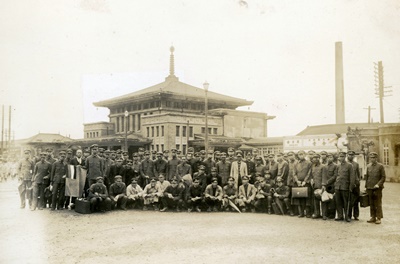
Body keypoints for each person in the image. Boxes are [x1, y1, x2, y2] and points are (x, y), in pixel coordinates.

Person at [328, 151, 355, 222]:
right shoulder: (338, 166)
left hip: (345, 187)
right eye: (340, 156)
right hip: (338, 187)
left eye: (342, 156)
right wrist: (331, 183)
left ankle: (347, 216)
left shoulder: (349, 165)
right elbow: (336, 176)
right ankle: (340, 216)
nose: (340, 158)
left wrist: (351, 187)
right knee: (338, 202)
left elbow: (352, 177)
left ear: (345, 157)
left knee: (346, 202)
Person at [365, 152, 386, 224]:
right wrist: (366, 187)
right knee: (371, 203)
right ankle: (373, 217)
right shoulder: (368, 166)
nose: (372, 159)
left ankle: (378, 218)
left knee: (378, 203)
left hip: (377, 188)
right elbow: (367, 177)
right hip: (370, 187)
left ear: (376, 158)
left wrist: (378, 184)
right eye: (371, 158)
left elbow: (383, 177)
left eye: (373, 158)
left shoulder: (380, 166)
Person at [347, 150, 361, 221]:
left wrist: (357, 182)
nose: (351, 156)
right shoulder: (345, 164)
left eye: (352, 155)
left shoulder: (356, 164)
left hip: (355, 185)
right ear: (347, 155)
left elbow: (358, 174)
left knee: (356, 201)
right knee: (349, 200)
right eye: (349, 155)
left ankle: (356, 215)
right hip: (348, 184)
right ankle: (348, 215)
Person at [310, 154, 324, 219]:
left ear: (319, 158)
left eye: (316, 158)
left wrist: (323, 185)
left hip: (321, 185)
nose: (315, 159)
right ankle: (317, 213)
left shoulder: (323, 166)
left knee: (323, 200)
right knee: (316, 201)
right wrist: (311, 180)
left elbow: (324, 177)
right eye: (313, 158)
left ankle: (323, 214)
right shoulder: (313, 167)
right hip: (314, 186)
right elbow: (312, 175)